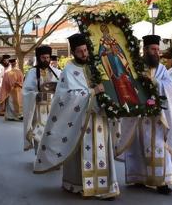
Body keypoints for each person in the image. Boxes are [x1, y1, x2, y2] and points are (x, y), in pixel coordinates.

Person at [34, 33, 119, 200]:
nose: (84, 54)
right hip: (80, 120)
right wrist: (92, 92)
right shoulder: (68, 70)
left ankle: (104, 186)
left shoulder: (95, 66)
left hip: (99, 117)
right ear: (73, 52)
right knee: (81, 150)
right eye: (80, 52)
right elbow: (66, 96)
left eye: (86, 50)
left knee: (102, 149)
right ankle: (79, 184)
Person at [116, 35, 172, 194]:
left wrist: (156, 83)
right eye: (153, 49)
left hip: (156, 117)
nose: (156, 52)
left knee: (158, 147)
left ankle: (161, 182)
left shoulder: (162, 69)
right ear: (145, 50)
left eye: (158, 49)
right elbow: (126, 85)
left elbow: (170, 87)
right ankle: (139, 178)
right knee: (137, 147)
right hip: (138, 116)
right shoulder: (135, 67)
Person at [23, 45, 61, 154]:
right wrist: (36, 94)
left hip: (53, 108)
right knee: (39, 133)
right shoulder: (32, 73)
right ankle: (40, 157)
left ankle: (52, 156)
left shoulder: (57, 72)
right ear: (39, 58)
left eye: (48, 58)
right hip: (38, 109)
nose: (46, 60)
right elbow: (26, 92)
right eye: (43, 58)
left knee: (53, 133)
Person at [98, 24, 139, 105]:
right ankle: (123, 102)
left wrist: (116, 50)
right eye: (104, 31)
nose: (106, 32)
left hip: (121, 64)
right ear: (102, 32)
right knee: (119, 84)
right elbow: (101, 53)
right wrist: (109, 51)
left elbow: (120, 50)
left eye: (106, 30)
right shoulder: (102, 41)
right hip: (112, 66)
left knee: (127, 80)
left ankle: (134, 101)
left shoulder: (113, 39)